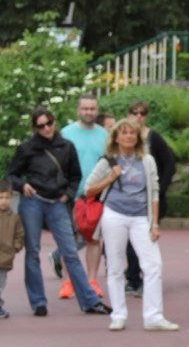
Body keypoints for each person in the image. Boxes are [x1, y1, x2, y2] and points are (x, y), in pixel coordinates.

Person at [7, 108, 111, 316]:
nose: (46, 128)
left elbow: (75, 175)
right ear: (35, 128)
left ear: (54, 122)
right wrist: (23, 186)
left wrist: (68, 195)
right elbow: (11, 175)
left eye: (49, 123)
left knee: (70, 251)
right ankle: (38, 302)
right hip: (33, 202)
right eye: (41, 126)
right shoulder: (27, 148)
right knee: (33, 253)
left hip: (57, 202)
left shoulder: (66, 146)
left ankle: (89, 300)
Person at [84, 117, 178, 331]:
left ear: (137, 137)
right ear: (116, 137)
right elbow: (89, 189)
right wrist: (110, 178)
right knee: (116, 266)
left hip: (140, 218)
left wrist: (154, 224)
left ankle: (153, 316)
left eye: (132, 133)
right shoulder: (108, 160)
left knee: (153, 265)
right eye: (124, 132)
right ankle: (118, 315)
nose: (128, 136)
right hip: (114, 215)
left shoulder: (146, 160)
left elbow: (154, 192)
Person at [55, 92, 108, 300]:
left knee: (94, 239)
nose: (89, 112)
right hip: (69, 195)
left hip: (94, 197)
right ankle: (70, 281)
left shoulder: (105, 135)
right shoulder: (66, 133)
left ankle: (92, 281)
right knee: (69, 240)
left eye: (92, 108)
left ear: (97, 110)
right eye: (85, 108)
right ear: (78, 110)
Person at [124, 101, 176, 296]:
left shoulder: (153, 138)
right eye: (134, 112)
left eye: (143, 113)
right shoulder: (124, 137)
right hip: (130, 199)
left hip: (151, 200)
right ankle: (132, 278)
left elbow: (170, 164)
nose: (138, 116)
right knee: (129, 240)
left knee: (146, 239)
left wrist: (159, 190)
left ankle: (146, 278)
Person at [0, 178, 24, 319]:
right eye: (1, 197)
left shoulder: (14, 218)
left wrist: (15, 247)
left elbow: (19, 235)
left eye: (7, 198)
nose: (4, 201)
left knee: (0, 284)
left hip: (5, 258)